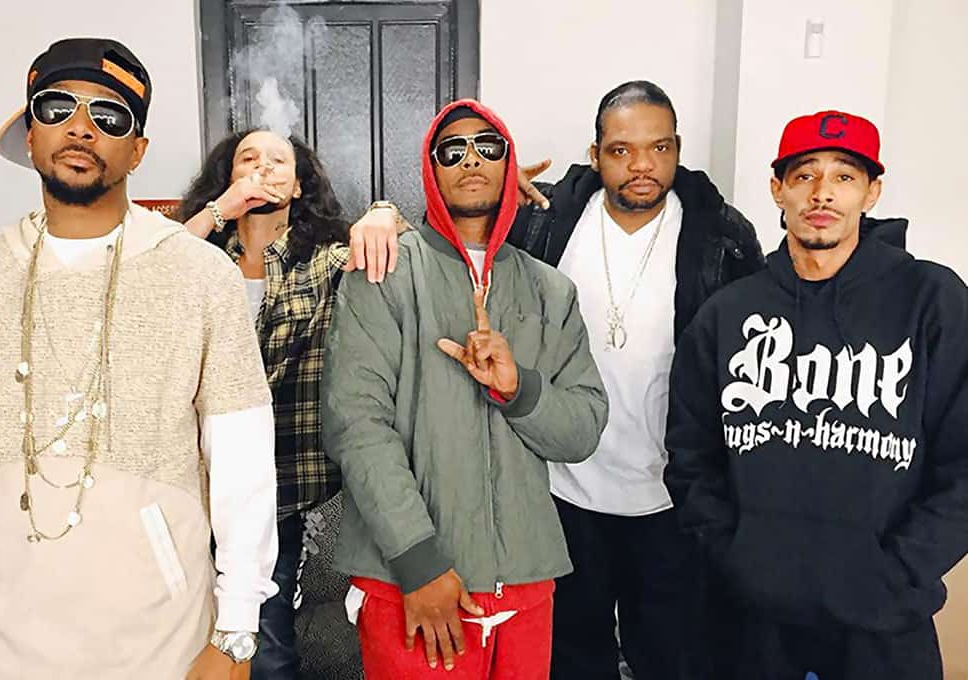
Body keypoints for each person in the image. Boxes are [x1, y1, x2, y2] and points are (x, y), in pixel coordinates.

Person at [0, 38, 278, 680]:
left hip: (166, 641)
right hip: (15, 644)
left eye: (109, 115)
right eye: (57, 107)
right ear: (31, 134)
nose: (81, 127)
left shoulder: (200, 274)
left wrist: (238, 628)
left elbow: (243, 454)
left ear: (138, 150)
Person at [665, 110, 968, 680]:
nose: (822, 193)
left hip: (883, 622)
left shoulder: (932, 300)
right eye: (804, 175)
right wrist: (736, 558)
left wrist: (899, 571)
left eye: (844, 176)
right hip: (752, 624)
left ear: (871, 192)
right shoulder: (728, 313)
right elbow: (690, 455)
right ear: (777, 189)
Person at [320, 99, 609, 679]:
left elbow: (582, 430)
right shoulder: (384, 273)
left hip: (526, 583)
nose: (471, 159)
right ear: (430, 171)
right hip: (411, 582)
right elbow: (356, 425)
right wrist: (418, 561)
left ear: (510, 163)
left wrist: (519, 389)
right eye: (451, 150)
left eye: (487, 146)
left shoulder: (551, 291)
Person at [504, 80, 764, 680]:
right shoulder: (545, 220)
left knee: (673, 657)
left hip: (672, 495)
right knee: (572, 657)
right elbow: (449, 239)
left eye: (659, 147)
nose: (643, 165)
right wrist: (389, 216)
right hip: (563, 491)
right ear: (595, 154)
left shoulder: (721, 234)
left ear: (677, 150)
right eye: (622, 150)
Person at [178, 128, 406, 679]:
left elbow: (402, 247)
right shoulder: (199, 259)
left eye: (278, 161)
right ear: (227, 178)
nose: (262, 168)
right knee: (183, 635)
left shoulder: (325, 263)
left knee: (266, 644)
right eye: (248, 159)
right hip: (189, 483)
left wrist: (384, 213)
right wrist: (221, 210)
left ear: (299, 185)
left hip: (280, 489)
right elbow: (147, 273)